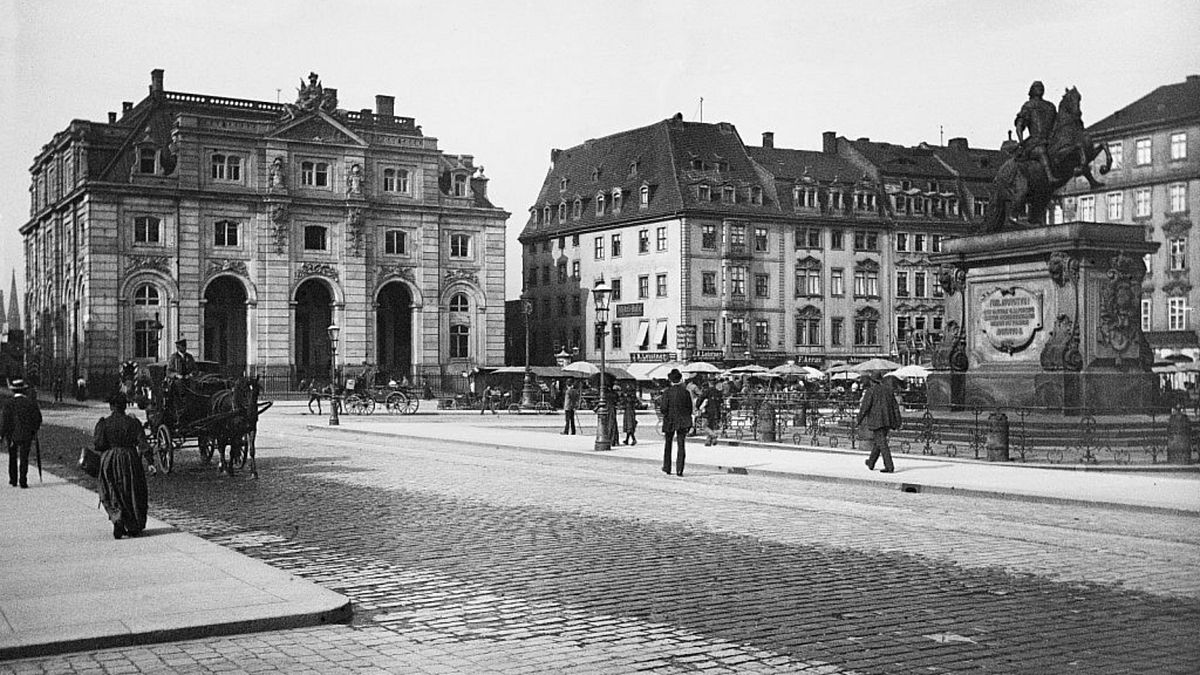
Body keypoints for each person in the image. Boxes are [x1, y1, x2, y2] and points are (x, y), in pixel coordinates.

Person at [94, 392, 149, 539]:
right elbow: (142, 443)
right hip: (129, 458)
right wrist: (150, 462)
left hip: (110, 458)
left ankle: (117, 518)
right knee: (132, 490)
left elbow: (98, 444)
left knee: (111, 489)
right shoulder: (133, 423)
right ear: (125, 406)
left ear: (111, 407)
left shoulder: (104, 423)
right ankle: (132, 525)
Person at [857, 373, 903, 474]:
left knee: (882, 444)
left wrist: (859, 419)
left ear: (872, 381)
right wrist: (898, 421)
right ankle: (871, 462)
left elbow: (865, 407)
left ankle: (889, 466)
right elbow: (895, 407)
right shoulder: (888, 390)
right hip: (888, 420)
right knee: (879, 442)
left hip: (876, 421)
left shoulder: (871, 391)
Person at [1014, 80, 1058, 184]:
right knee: (1041, 151)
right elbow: (1020, 125)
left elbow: (1057, 122)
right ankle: (1050, 177)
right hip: (1035, 142)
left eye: (1042, 87)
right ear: (1032, 91)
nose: (1040, 88)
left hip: (1050, 140)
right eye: (1037, 87)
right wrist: (1021, 141)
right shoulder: (1029, 106)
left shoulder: (1050, 106)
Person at [2, 379, 42, 488]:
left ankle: (13, 479)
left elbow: (5, 421)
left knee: (12, 457)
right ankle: (23, 480)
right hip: (26, 434)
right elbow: (38, 419)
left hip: (12, 435)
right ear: (24, 390)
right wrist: (34, 430)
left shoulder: (8, 403)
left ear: (13, 391)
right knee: (24, 457)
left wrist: (2, 434)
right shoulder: (31, 403)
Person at [659, 369, 693, 476]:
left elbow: (663, 408)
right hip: (682, 421)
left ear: (670, 380)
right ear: (680, 379)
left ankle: (667, 467)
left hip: (670, 421)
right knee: (681, 445)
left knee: (668, 444)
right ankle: (679, 469)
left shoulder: (667, 392)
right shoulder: (686, 392)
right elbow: (690, 409)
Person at [696, 380, 724, 447]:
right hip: (716, 412)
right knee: (710, 426)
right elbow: (721, 402)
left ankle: (714, 435)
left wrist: (698, 406)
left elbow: (700, 399)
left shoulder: (707, 391)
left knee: (704, 426)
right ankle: (708, 441)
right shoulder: (718, 392)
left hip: (707, 411)